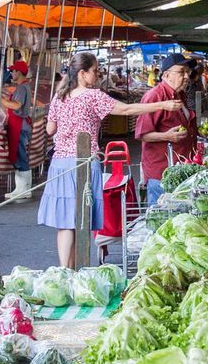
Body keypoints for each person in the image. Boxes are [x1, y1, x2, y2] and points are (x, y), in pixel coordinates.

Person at [39, 52, 160, 266]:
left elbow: (50, 129)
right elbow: (127, 109)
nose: (98, 74)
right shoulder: (93, 96)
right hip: (84, 163)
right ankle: (71, 272)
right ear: (83, 73)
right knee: (81, 220)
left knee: (66, 223)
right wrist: (161, 105)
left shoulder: (59, 96)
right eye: (95, 71)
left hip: (60, 164)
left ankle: (65, 271)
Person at [134, 57, 196, 205]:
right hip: (161, 172)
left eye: (188, 72)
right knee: (161, 217)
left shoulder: (180, 95)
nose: (187, 76)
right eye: (182, 72)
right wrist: (167, 136)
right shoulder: (154, 97)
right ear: (167, 75)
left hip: (180, 167)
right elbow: (142, 134)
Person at [2, 59, 35, 201]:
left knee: (21, 156)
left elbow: (16, 106)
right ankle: (21, 188)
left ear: (19, 72)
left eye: (13, 71)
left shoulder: (22, 88)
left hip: (19, 125)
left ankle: (25, 189)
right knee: (20, 155)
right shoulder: (23, 86)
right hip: (19, 124)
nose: (11, 73)